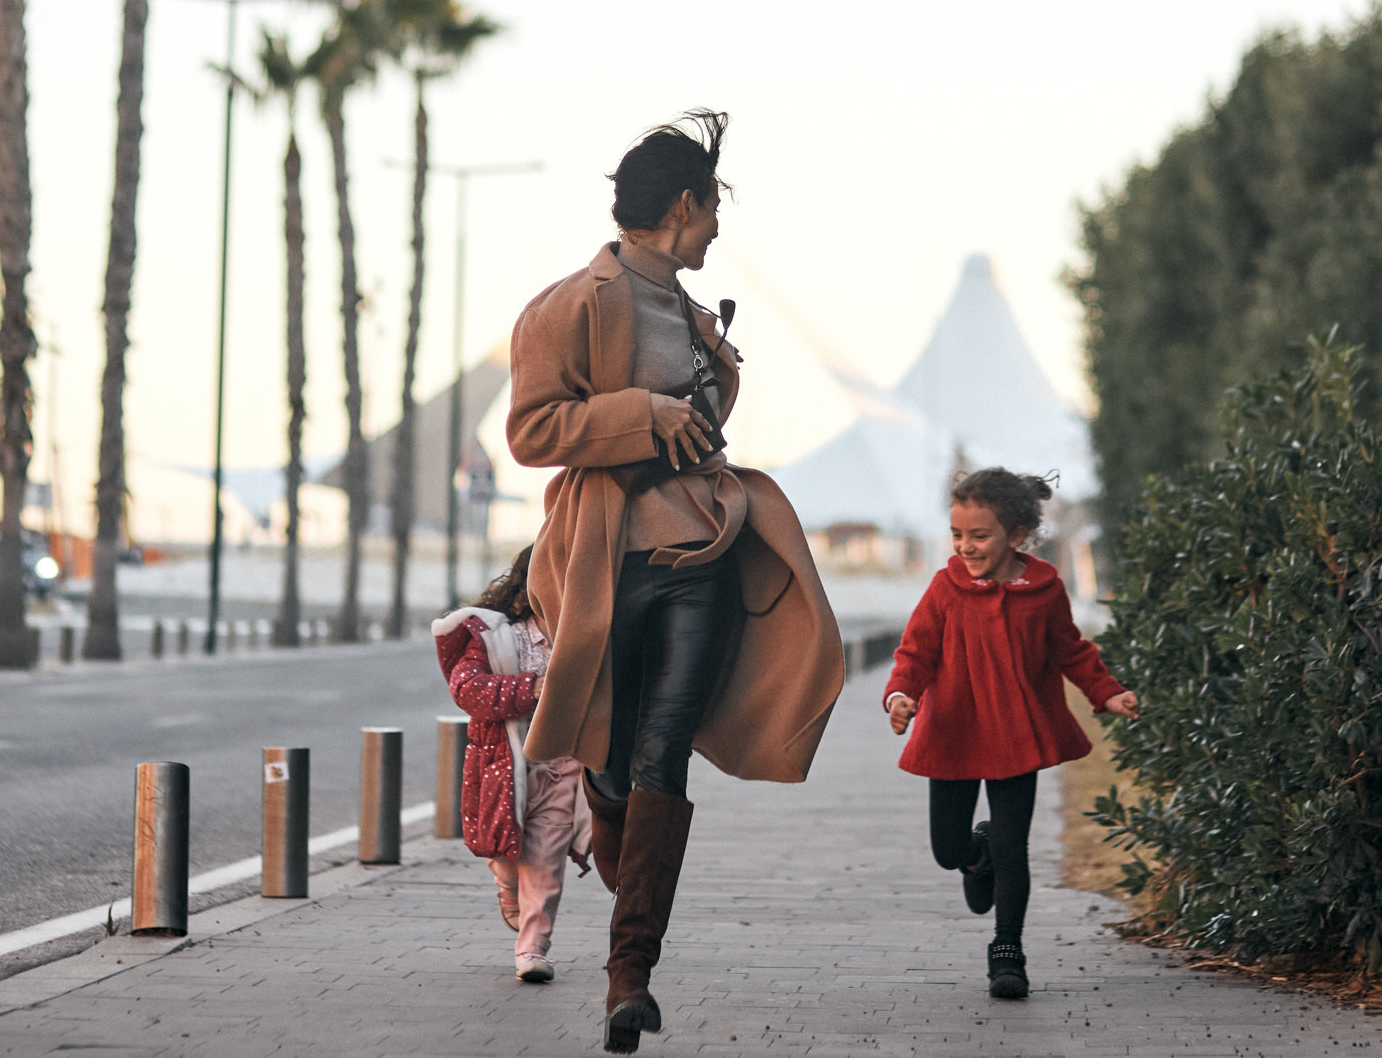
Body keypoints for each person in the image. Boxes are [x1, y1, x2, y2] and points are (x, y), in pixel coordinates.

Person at [509, 109, 845, 1053]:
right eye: (713, 209)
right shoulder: (573, 304)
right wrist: (642, 413)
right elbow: (534, 433)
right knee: (611, 766)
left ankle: (629, 980)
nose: (717, 230)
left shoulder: (696, 316)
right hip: (606, 568)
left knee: (662, 754)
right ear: (684, 204)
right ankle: (614, 837)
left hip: (699, 558)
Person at [885, 468, 1140, 1000]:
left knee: (1014, 844)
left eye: (979, 536)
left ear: (1017, 535)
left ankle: (1008, 951)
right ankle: (977, 859)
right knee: (947, 846)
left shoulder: (1043, 589)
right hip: (953, 728)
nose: (966, 547)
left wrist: (1106, 692)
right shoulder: (946, 588)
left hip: (1014, 735)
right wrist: (900, 694)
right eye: (958, 535)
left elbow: (1071, 650)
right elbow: (917, 650)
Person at [432, 546, 593, 983]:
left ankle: (533, 948)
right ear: (532, 586)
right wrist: (533, 687)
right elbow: (468, 690)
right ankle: (506, 886)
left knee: (545, 861)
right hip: (505, 772)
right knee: (504, 854)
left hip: (563, 771)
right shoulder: (496, 637)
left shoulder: (587, 640)